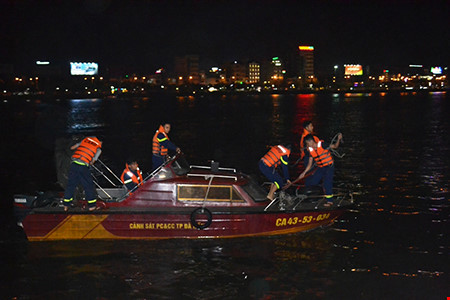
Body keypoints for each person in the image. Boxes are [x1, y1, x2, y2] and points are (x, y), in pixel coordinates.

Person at [294, 133, 343, 206]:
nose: (307, 146)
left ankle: (330, 201)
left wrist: (338, 139)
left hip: (329, 166)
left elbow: (335, 146)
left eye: (307, 144)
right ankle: (318, 196)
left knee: (327, 183)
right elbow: (310, 164)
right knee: (313, 182)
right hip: (321, 167)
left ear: (311, 141)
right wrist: (303, 173)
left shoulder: (322, 145)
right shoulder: (310, 150)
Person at [63, 136, 102, 211]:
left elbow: (72, 148)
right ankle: (92, 206)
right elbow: (92, 162)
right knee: (88, 186)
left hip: (74, 165)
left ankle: (66, 206)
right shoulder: (98, 150)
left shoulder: (85, 141)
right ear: (100, 142)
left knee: (71, 185)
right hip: (83, 167)